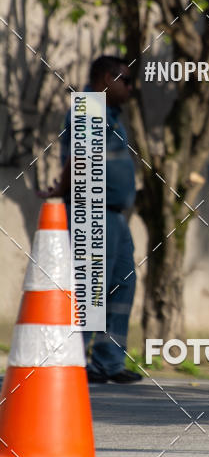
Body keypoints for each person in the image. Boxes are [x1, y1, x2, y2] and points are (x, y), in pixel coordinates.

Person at [41, 55, 142, 384]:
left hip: (113, 214)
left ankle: (107, 362)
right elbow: (80, 156)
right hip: (92, 209)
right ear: (104, 78)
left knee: (122, 281)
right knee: (90, 287)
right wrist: (62, 188)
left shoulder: (110, 113)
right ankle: (73, 360)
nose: (131, 87)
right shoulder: (89, 107)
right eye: (125, 80)